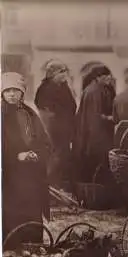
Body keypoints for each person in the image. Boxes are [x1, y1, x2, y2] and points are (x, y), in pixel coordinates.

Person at [2, 72, 52, 246]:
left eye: (16, 90)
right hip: (8, 176)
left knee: (32, 211)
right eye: (7, 90)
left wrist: (36, 153)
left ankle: (32, 247)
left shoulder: (30, 114)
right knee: (11, 214)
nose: (12, 94)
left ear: (22, 92)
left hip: (31, 175)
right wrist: (16, 156)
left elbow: (44, 141)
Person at [34, 60, 77, 189]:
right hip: (54, 127)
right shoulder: (45, 88)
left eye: (65, 71)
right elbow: (43, 108)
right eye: (61, 72)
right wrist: (53, 118)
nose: (64, 74)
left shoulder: (64, 86)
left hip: (64, 125)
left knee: (63, 154)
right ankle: (49, 185)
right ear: (52, 74)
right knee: (55, 155)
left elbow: (71, 104)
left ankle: (56, 185)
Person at [73, 64, 115, 185]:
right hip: (95, 133)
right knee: (96, 160)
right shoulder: (94, 91)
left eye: (109, 75)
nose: (109, 78)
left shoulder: (98, 89)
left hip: (94, 131)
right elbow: (94, 116)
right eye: (105, 76)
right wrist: (109, 118)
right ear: (98, 77)